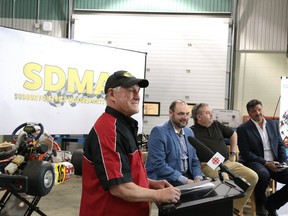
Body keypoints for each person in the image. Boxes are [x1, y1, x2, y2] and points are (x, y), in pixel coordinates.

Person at [80, 70, 181, 216]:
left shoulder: (123, 126)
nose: (137, 96)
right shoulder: (109, 130)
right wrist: (159, 195)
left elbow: (125, 173)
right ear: (112, 94)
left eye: (138, 91)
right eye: (131, 91)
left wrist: (150, 183)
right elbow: (119, 188)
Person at [190, 103, 258, 216]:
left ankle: (234, 208)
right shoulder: (191, 132)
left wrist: (232, 153)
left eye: (211, 112)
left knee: (252, 176)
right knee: (225, 181)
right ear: (199, 117)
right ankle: (224, 210)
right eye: (207, 113)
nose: (211, 114)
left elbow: (233, 134)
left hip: (226, 161)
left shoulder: (216, 125)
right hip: (208, 164)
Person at [237, 99, 288, 216]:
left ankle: (271, 204)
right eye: (254, 111)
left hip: (275, 162)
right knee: (263, 174)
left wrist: (283, 162)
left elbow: (280, 144)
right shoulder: (243, 129)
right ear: (249, 113)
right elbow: (246, 153)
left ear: (262, 109)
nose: (258, 113)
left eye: (259, 109)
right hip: (256, 161)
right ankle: (261, 205)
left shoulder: (273, 124)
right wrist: (265, 163)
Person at [146, 99, 204, 186]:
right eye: (181, 114)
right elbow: (159, 165)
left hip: (187, 177)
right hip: (166, 179)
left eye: (187, 114)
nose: (185, 117)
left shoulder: (189, 132)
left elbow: (194, 160)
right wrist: (186, 181)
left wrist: (198, 177)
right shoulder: (158, 131)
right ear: (170, 113)